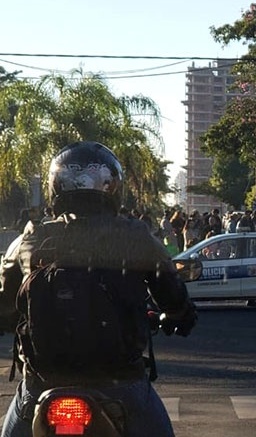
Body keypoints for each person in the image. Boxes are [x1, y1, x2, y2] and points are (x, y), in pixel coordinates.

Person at [0, 141, 197, 437]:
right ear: (112, 187)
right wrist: (180, 315)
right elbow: (172, 295)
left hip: (42, 384)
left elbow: (4, 305)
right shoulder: (136, 237)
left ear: (57, 186)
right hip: (120, 384)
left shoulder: (29, 240)